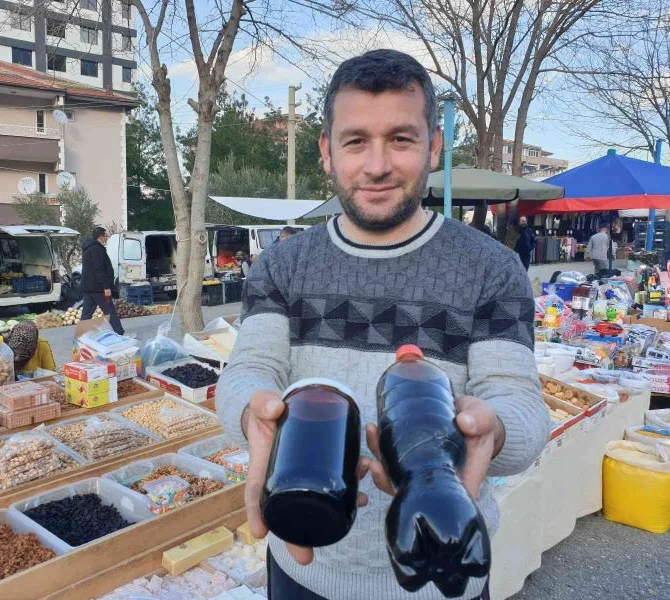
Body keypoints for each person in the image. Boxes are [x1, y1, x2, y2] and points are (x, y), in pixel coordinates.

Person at [216, 49, 548, 600]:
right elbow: (249, 371)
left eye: (400, 139)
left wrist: (493, 432)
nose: (376, 166)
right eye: (355, 141)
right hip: (304, 565)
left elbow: (519, 405)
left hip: (442, 565)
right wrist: (253, 415)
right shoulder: (282, 265)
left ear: (433, 147)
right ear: (326, 152)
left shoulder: (491, 268)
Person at [80, 227, 124, 334]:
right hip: (99, 288)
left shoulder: (88, 248)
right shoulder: (96, 249)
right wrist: (106, 287)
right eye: (105, 236)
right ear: (100, 237)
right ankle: (120, 333)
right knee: (110, 310)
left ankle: (81, 335)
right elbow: (99, 269)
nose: (106, 238)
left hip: (88, 287)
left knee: (86, 313)